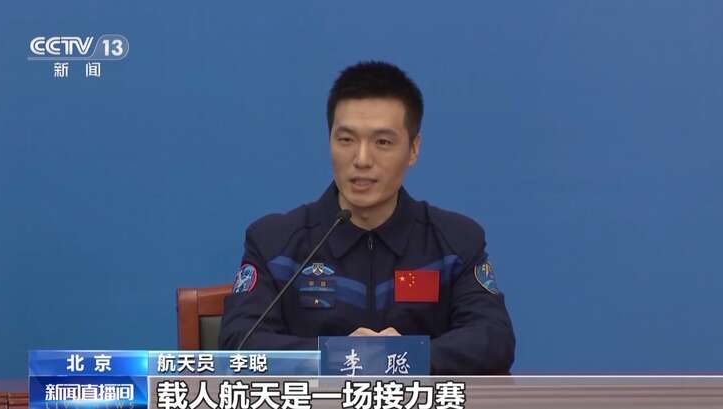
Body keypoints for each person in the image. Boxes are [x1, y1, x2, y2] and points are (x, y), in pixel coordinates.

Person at [219, 61, 515, 374]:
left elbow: (494, 340)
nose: (361, 160)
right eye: (346, 140)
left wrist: (408, 357)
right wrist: (339, 356)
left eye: (382, 142)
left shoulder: (455, 243)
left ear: (413, 149)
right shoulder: (274, 243)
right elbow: (239, 343)